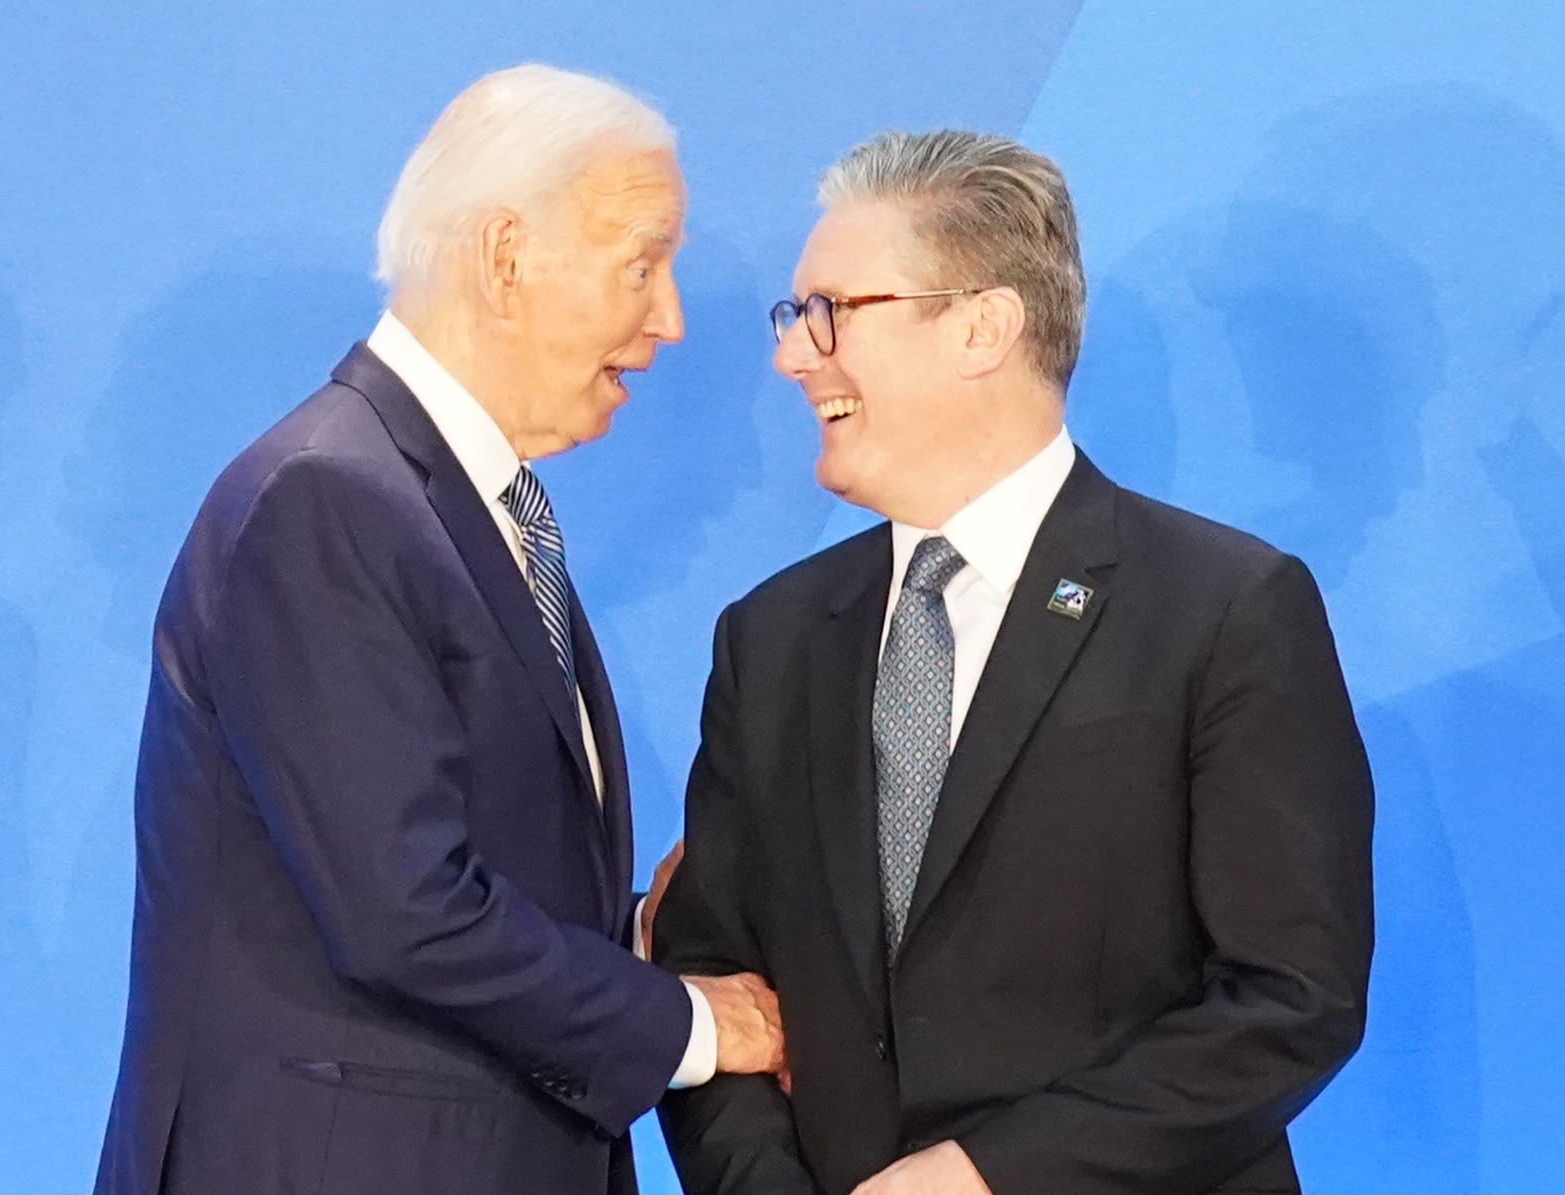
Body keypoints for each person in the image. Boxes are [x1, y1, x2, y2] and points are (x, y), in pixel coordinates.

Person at [95, 65, 782, 1195]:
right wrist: (688, 1024)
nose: (667, 319)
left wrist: (638, 933)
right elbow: (403, 910)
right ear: (506, 256)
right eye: (642, 263)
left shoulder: (451, 503)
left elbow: (463, 869)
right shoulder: (330, 499)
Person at [653, 130, 1374, 1195]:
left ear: (982, 327)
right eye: (791, 316)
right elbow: (711, 972)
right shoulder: (770, 637)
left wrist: (987, 1175)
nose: (792, 355)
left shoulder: (1222, 609)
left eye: (832, 311)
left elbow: (1287, 997)